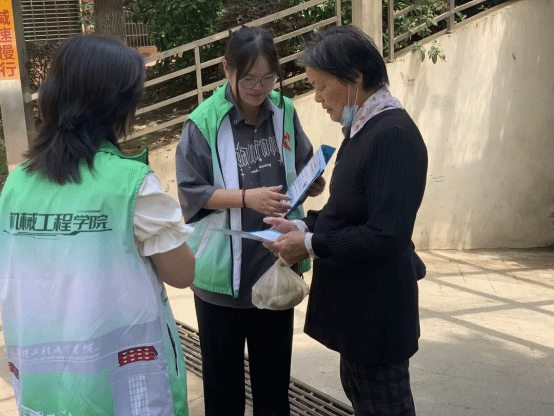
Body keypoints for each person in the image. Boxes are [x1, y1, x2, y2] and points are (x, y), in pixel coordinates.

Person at [0, 35, 196, 415]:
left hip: (45, 389)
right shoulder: (130, 185)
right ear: (116, 106)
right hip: (121, 390)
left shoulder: (16, 184)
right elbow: (182, 273)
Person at [264, 25, 428, 416]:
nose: (318, 98)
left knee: (384, 407)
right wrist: (303, 226)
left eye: (321, 86)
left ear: (354, 79)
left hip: (377, 315)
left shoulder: (392, 135)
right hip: (358, 313)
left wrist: (309, 244)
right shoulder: (364, 128)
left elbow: (385, 234)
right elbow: (350, 210)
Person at [175, 26, 324, 416]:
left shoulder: (284, 111)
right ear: (227, 69)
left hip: (274, 266)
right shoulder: (203, 123)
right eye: (249, 79)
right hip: (222, 280)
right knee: (223, 392)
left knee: (273, 388)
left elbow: (298, 163)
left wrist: (310, 180)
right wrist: (246, 198)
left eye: (268, 78)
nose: (260, 88)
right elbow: (191, 191)